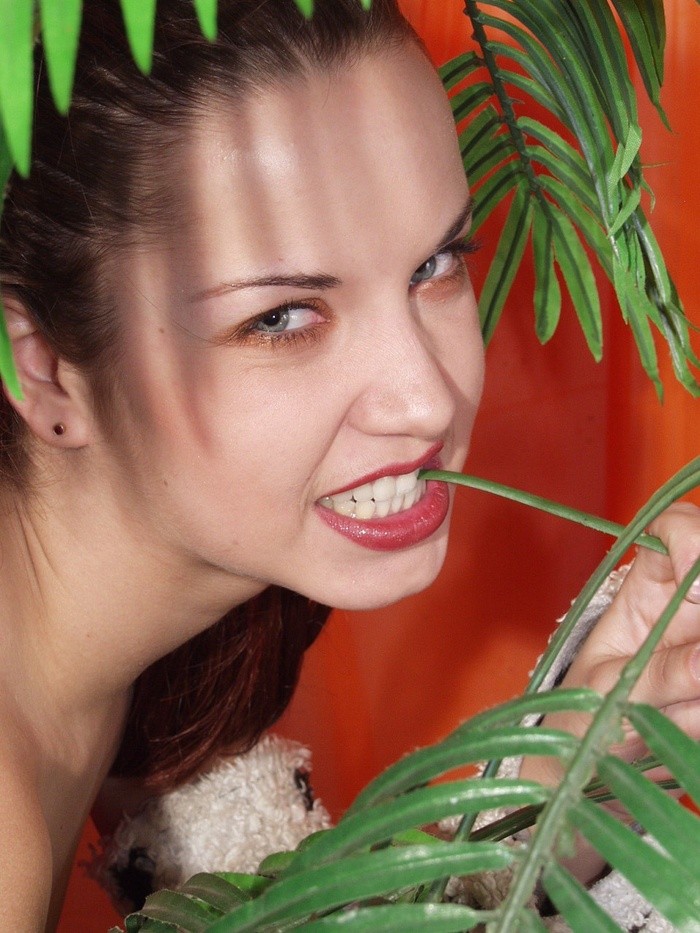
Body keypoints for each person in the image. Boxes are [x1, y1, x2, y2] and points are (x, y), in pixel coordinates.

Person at [0, 0, 697, 928]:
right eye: (282, 317)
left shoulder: (157, 639)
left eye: (437, 264)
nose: (427, 399)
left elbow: (252, 895)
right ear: (43, 366)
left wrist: (571, 769)